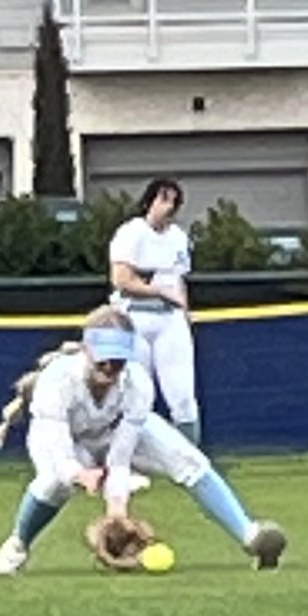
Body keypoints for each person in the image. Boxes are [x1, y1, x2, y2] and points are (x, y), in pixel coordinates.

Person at [0, 305, 286, 579]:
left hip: (112, 430)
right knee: (54, 482)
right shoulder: (57, 380)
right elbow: (59, 451)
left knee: (187, 458)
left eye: (117, 360)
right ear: (87, 350)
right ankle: (17, 546)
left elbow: (120, 457)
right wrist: (81, 474)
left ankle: (252, 537)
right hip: (64, 440)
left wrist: (117, 511)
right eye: (103, 358)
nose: (110, 367)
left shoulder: (137, 382)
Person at [108, 178, 200, 444]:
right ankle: (134, 455)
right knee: (137, 393)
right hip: (134, 317)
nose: (167, 207)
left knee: (182, 394)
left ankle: (189, 457)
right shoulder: (131, 232)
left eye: (173, 202)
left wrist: (184, 313)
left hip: (169, 319)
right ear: (149, 201)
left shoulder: (178, 238)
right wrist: (158, 291)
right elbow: (122, 279)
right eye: (163, 199)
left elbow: (178, 280)